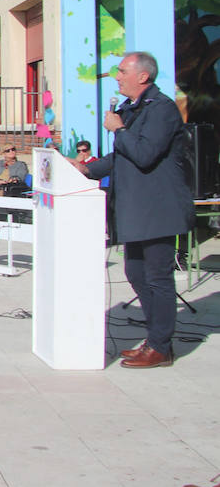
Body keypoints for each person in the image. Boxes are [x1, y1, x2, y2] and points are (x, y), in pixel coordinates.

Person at [72, 51, 195, 369]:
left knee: (157, 277)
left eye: (122, 70)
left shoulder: (162, 109)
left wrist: (119, 130)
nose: (117, 76)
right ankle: (154, 339)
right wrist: (89, 169)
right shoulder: (132, 108)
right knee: (135, 272)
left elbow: (143, 153)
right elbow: (121, 158)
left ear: (143, 76)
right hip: (136, 209)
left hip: (158, 208)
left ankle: (160, 346)